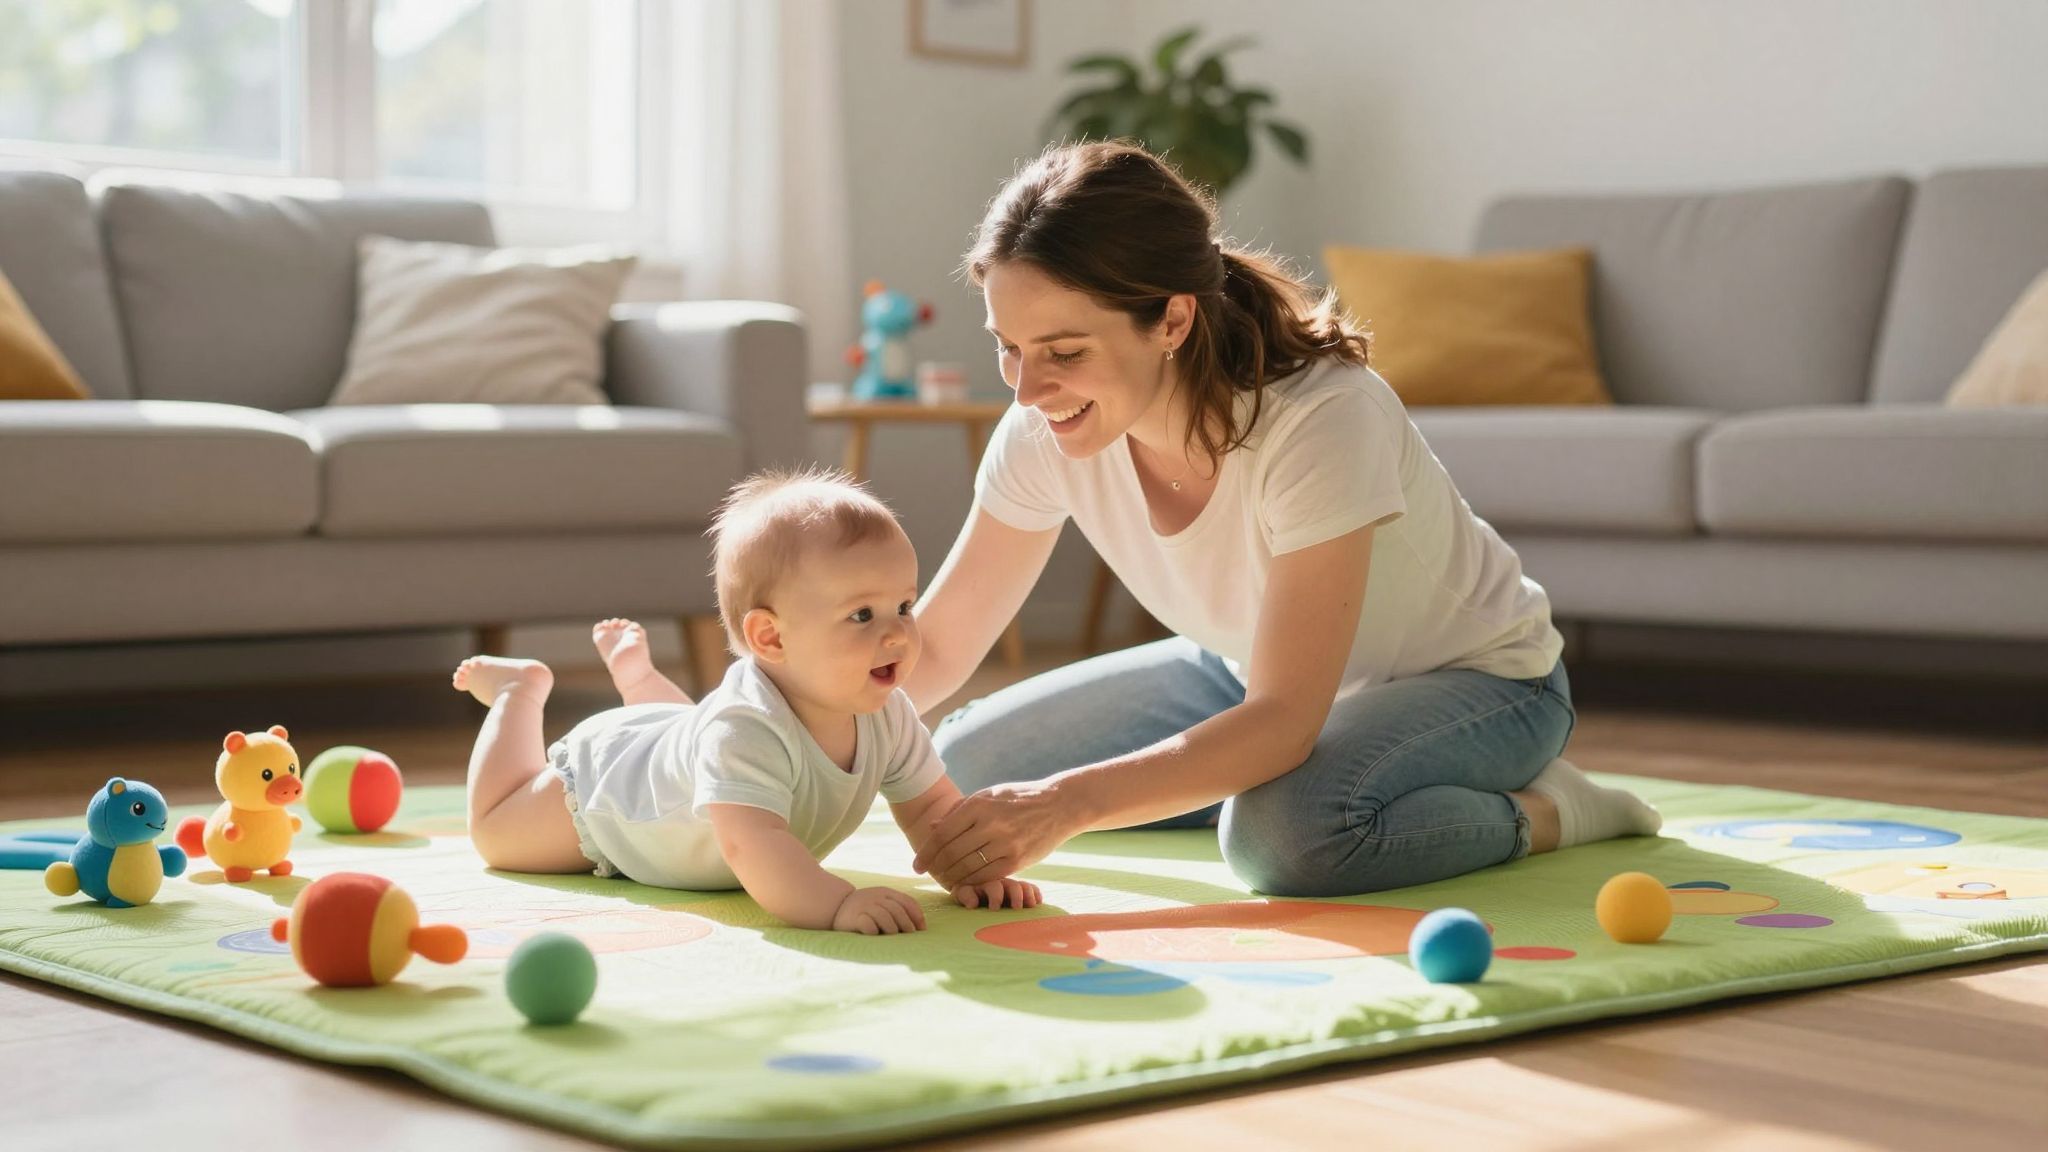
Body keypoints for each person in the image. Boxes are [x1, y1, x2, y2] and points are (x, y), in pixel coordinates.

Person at [904, 141, 1660, 897]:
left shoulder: (1321, 417)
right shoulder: (1045, 431)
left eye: (1063, 351)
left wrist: (1068, 803)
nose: (1028, 390)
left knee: (1282, 838)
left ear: (1171, 321)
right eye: (1008, 348)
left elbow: (1283, 716)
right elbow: (936, 648)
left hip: (1481, 685)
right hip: (1242, 670)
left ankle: (1553, 809)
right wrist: (799, 731)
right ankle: (1242, 778)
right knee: (970, 764)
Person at [453, 469, 1040, 935]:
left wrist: (974, 872)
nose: (896, 635)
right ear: (771, 638)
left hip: (683, 738)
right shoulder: (746, 729)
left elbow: (934, 812)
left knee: (685, 730)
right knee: (497, 835)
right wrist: (837, 904)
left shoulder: (888, 713)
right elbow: (748, 845)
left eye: (904, 607)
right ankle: (518, 693)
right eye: (862, 614)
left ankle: (641, 684)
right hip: (608, 791)